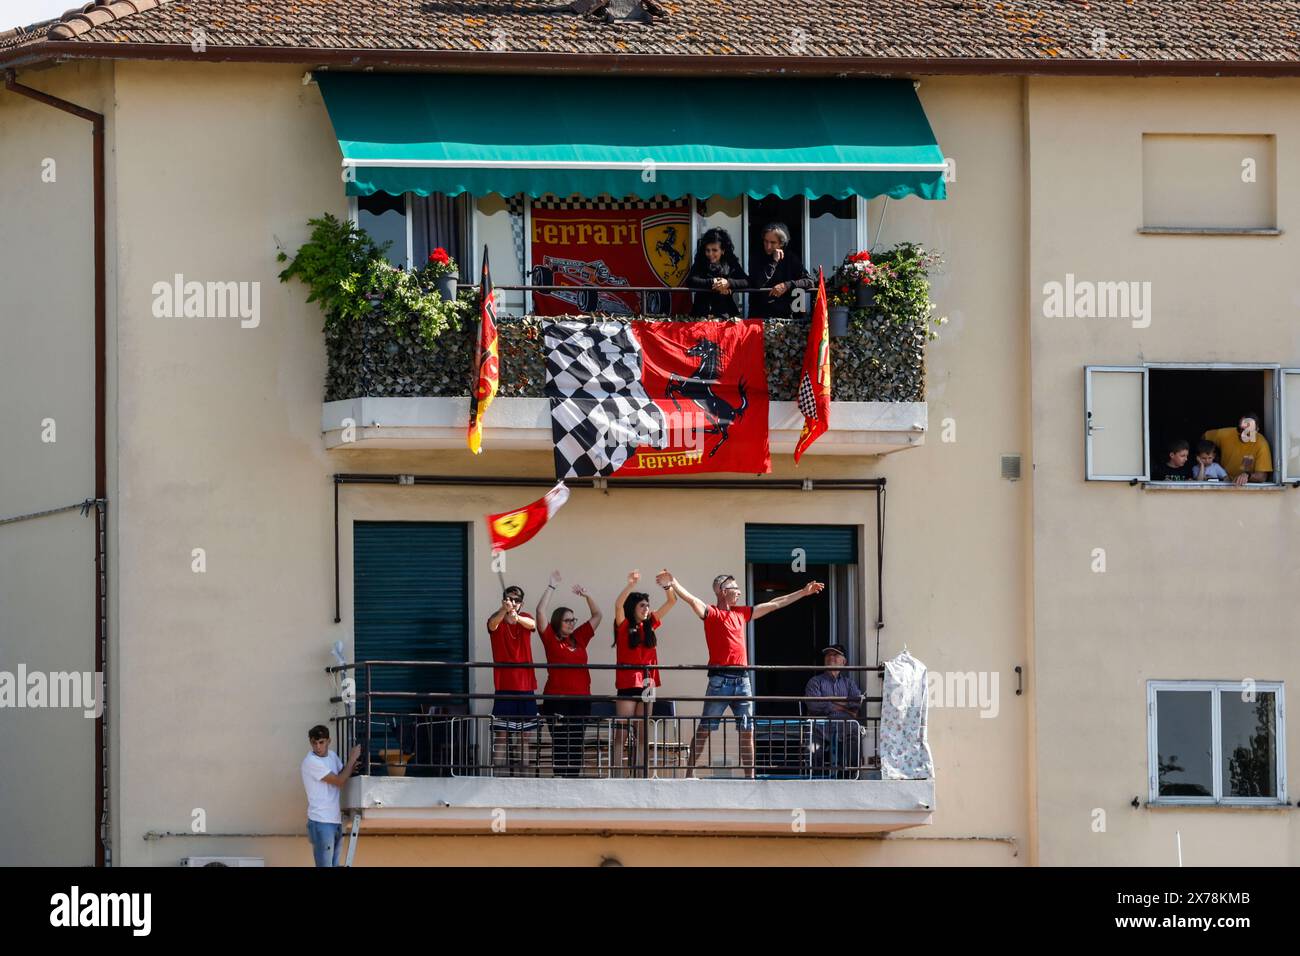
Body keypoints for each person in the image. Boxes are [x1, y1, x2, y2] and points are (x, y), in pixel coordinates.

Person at [656, 569, 825, 779]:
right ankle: (689, 775)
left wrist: (803, 592)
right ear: (722, 591)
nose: (739, 592)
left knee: (747, 731)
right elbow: (691, 600)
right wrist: (674, 582)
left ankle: (749, 779)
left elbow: (774, 604)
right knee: (705, 729)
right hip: (719, 680)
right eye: (735, 588)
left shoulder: (741, 613)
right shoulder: (712, 613)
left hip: (743, 680)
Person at [535, 570, 602, 778]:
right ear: (558, 622)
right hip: (557, 699)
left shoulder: (579, 638)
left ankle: (572, 780)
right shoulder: (551, 639)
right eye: (567, 620)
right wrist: (551, 586)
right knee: (561, 742)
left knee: (576, 742)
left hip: (581, 699)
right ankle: (560, 780)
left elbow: (598, 615)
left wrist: (587, 596)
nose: (572, 623)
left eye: (573, 620)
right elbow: (539, 612)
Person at [612, 569, 677, 775]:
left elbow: (671, 602)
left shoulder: (650, 625)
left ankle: (641, 773)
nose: (647, 609)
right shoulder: (623, 626)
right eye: (642, 605)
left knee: (643, 733)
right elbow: (617, 605)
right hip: (628, 682)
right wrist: (630, 585)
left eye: (648, 606)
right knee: (622, 733)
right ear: (633, 608)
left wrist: (668, 586)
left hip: (648, 683)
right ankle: (617, 774)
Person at [486, 583, 539, 774]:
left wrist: (517, 617)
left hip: (525, 686)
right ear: (504, 600)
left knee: (525, 736)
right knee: (502, 735)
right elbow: (492, 624)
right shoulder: (497, 620)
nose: (513, 603)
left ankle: (525, 777)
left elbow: (532, 625)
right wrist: (504, 610)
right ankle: (496, 777)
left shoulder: (526, 618)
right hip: (504, 686)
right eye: (510, 599)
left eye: (517, 600)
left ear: (521, 603)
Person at [301, 725, 361, 867]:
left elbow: (343, 773)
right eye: (314, 743)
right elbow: (339, 781)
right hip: (321, 821)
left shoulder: (332, 756)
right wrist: (352, 759)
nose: (318, 747)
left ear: (329, 741)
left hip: (334, 820)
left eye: (321, 742)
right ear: (310, 742)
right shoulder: (311, 762)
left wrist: (353, 766)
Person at [804, 644, 866, 777]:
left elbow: (856, 703)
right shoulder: (815, 682)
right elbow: (814, 705)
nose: (831, 657)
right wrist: (843, 705)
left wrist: (828, 702)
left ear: (844, 662)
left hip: (845, 726)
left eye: (835, 655)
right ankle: (815, 777)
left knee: (855, 731)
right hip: (821, 726)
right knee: (812, 744)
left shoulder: (849, 683)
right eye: (828, 655)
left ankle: (850, 775)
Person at [747, 222, 814, 319]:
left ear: (782, 244)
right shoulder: (756, 256)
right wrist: (774, 261)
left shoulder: (790, 258)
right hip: (759, 316)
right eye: (766, 241)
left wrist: (786, 285)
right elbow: (758, 283)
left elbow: (809, 282)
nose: (768, 246)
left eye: (773, 243)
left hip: (785, 317)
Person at [685, 227, 749, 317]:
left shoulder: (731, 263)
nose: (710, 254)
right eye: (707, 250)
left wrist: (728, 283)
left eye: (714, 250)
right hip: (701, 315)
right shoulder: (700, 261)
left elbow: (746, 281)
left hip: (726, 315)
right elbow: (690, 280)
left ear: (723, 251)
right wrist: (713, 282)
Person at [1203, 413, 1272, 486]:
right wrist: (1210, 454)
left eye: (1247, 432)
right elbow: (1204, 437)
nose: (1243, 434)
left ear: (1257, 430)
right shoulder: (1226, 434)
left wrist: (1247, 476)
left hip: (1244, 487)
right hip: (1222, 482)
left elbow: (1262, 476)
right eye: (1240, 429)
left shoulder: (1261, 444)